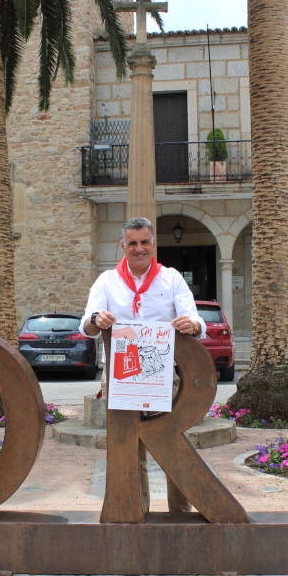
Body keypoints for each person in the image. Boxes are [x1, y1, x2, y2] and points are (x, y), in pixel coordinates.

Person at [81, 216, 207, 514]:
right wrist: (96, 319)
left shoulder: (172, 278)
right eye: (133, 243)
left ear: (153, 244)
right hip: (121, 374)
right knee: (128, 448)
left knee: (172, 444)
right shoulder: (107, 281)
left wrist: (192, 324)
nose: (139, 249)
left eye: (145, 242)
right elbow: (86, 325)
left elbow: (197, 319)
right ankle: (136, 511)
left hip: (163, 374)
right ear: (122, 246)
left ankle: (181, 513)